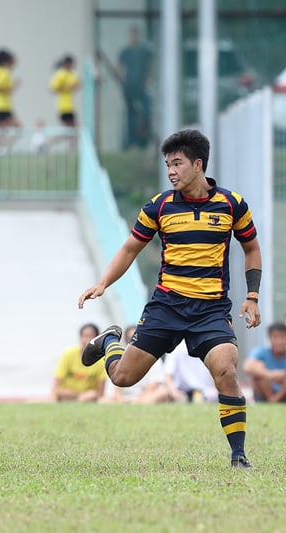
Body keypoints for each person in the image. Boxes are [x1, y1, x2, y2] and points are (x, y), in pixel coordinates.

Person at [78, 128, 262, 469]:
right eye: (167, 165)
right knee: (122, 378)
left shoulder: (233, 204)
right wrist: (103, 283)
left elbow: (251, 248)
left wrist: (252, 296)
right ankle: (110, 342)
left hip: (211, 309)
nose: (171, 171)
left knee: (226, 369)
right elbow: (131, 248)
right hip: (167, 305)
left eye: (177, 163)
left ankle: (239, 455)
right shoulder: (159, 206)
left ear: (198, 164)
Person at [103, 325, 169, 404]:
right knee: (103, 400)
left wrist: (138, 400)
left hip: (145, 397)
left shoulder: (153, 358)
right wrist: (120, 399)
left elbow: (154, 385)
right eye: (131, 339)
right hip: (123, 398)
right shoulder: (118, 357)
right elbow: (115, 386)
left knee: (162, 392)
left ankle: (138, 403)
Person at [118, 26, 154, 149]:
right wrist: (123, 82)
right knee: (130, 116)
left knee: (146, 112)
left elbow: (150, 67)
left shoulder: (145, 52)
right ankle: (132, 142)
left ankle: (146, 140)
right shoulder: (125, 52)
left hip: (142, 88)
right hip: (130, 88)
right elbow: (119, 67)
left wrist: (148, 81)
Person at [51, 323, 106, 402]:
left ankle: (79, 400)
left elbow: (100, 393)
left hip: (87, 396)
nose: (87, 340)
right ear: (80, 337)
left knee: (92, 394)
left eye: (90, 336)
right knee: (63, 392)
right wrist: (53, 399)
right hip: (68, 394)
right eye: (84, 336)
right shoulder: (68, 354)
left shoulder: (101, 361)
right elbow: (57, 381)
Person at [243, 322, 286, 403]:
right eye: (275, 337)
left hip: (283, 393)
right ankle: (271, 399)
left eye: (282, 337)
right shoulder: (261, 351)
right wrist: (269, 375)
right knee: (259, 367)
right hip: (264, 392)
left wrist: (283, 374)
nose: (279, 341)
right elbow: (247, 367)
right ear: (269, 338)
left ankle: (273, 400)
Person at [0, 50, 21, 153]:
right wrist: (13, 86)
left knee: (4, 129)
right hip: (1, 106)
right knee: (14, 127)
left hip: (5, 105)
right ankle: (1, 148)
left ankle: (2, 147)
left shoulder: (5, 72)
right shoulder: (4, 72)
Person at [48, 54, 79, 148]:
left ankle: (70, 149)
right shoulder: (60, 74)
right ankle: (47, 142)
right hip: (63, 106)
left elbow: (76, 85)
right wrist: (66, 87)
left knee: (72, 131)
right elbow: (53, 88)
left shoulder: (72, 74)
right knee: (70, 131)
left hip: (70, 105)